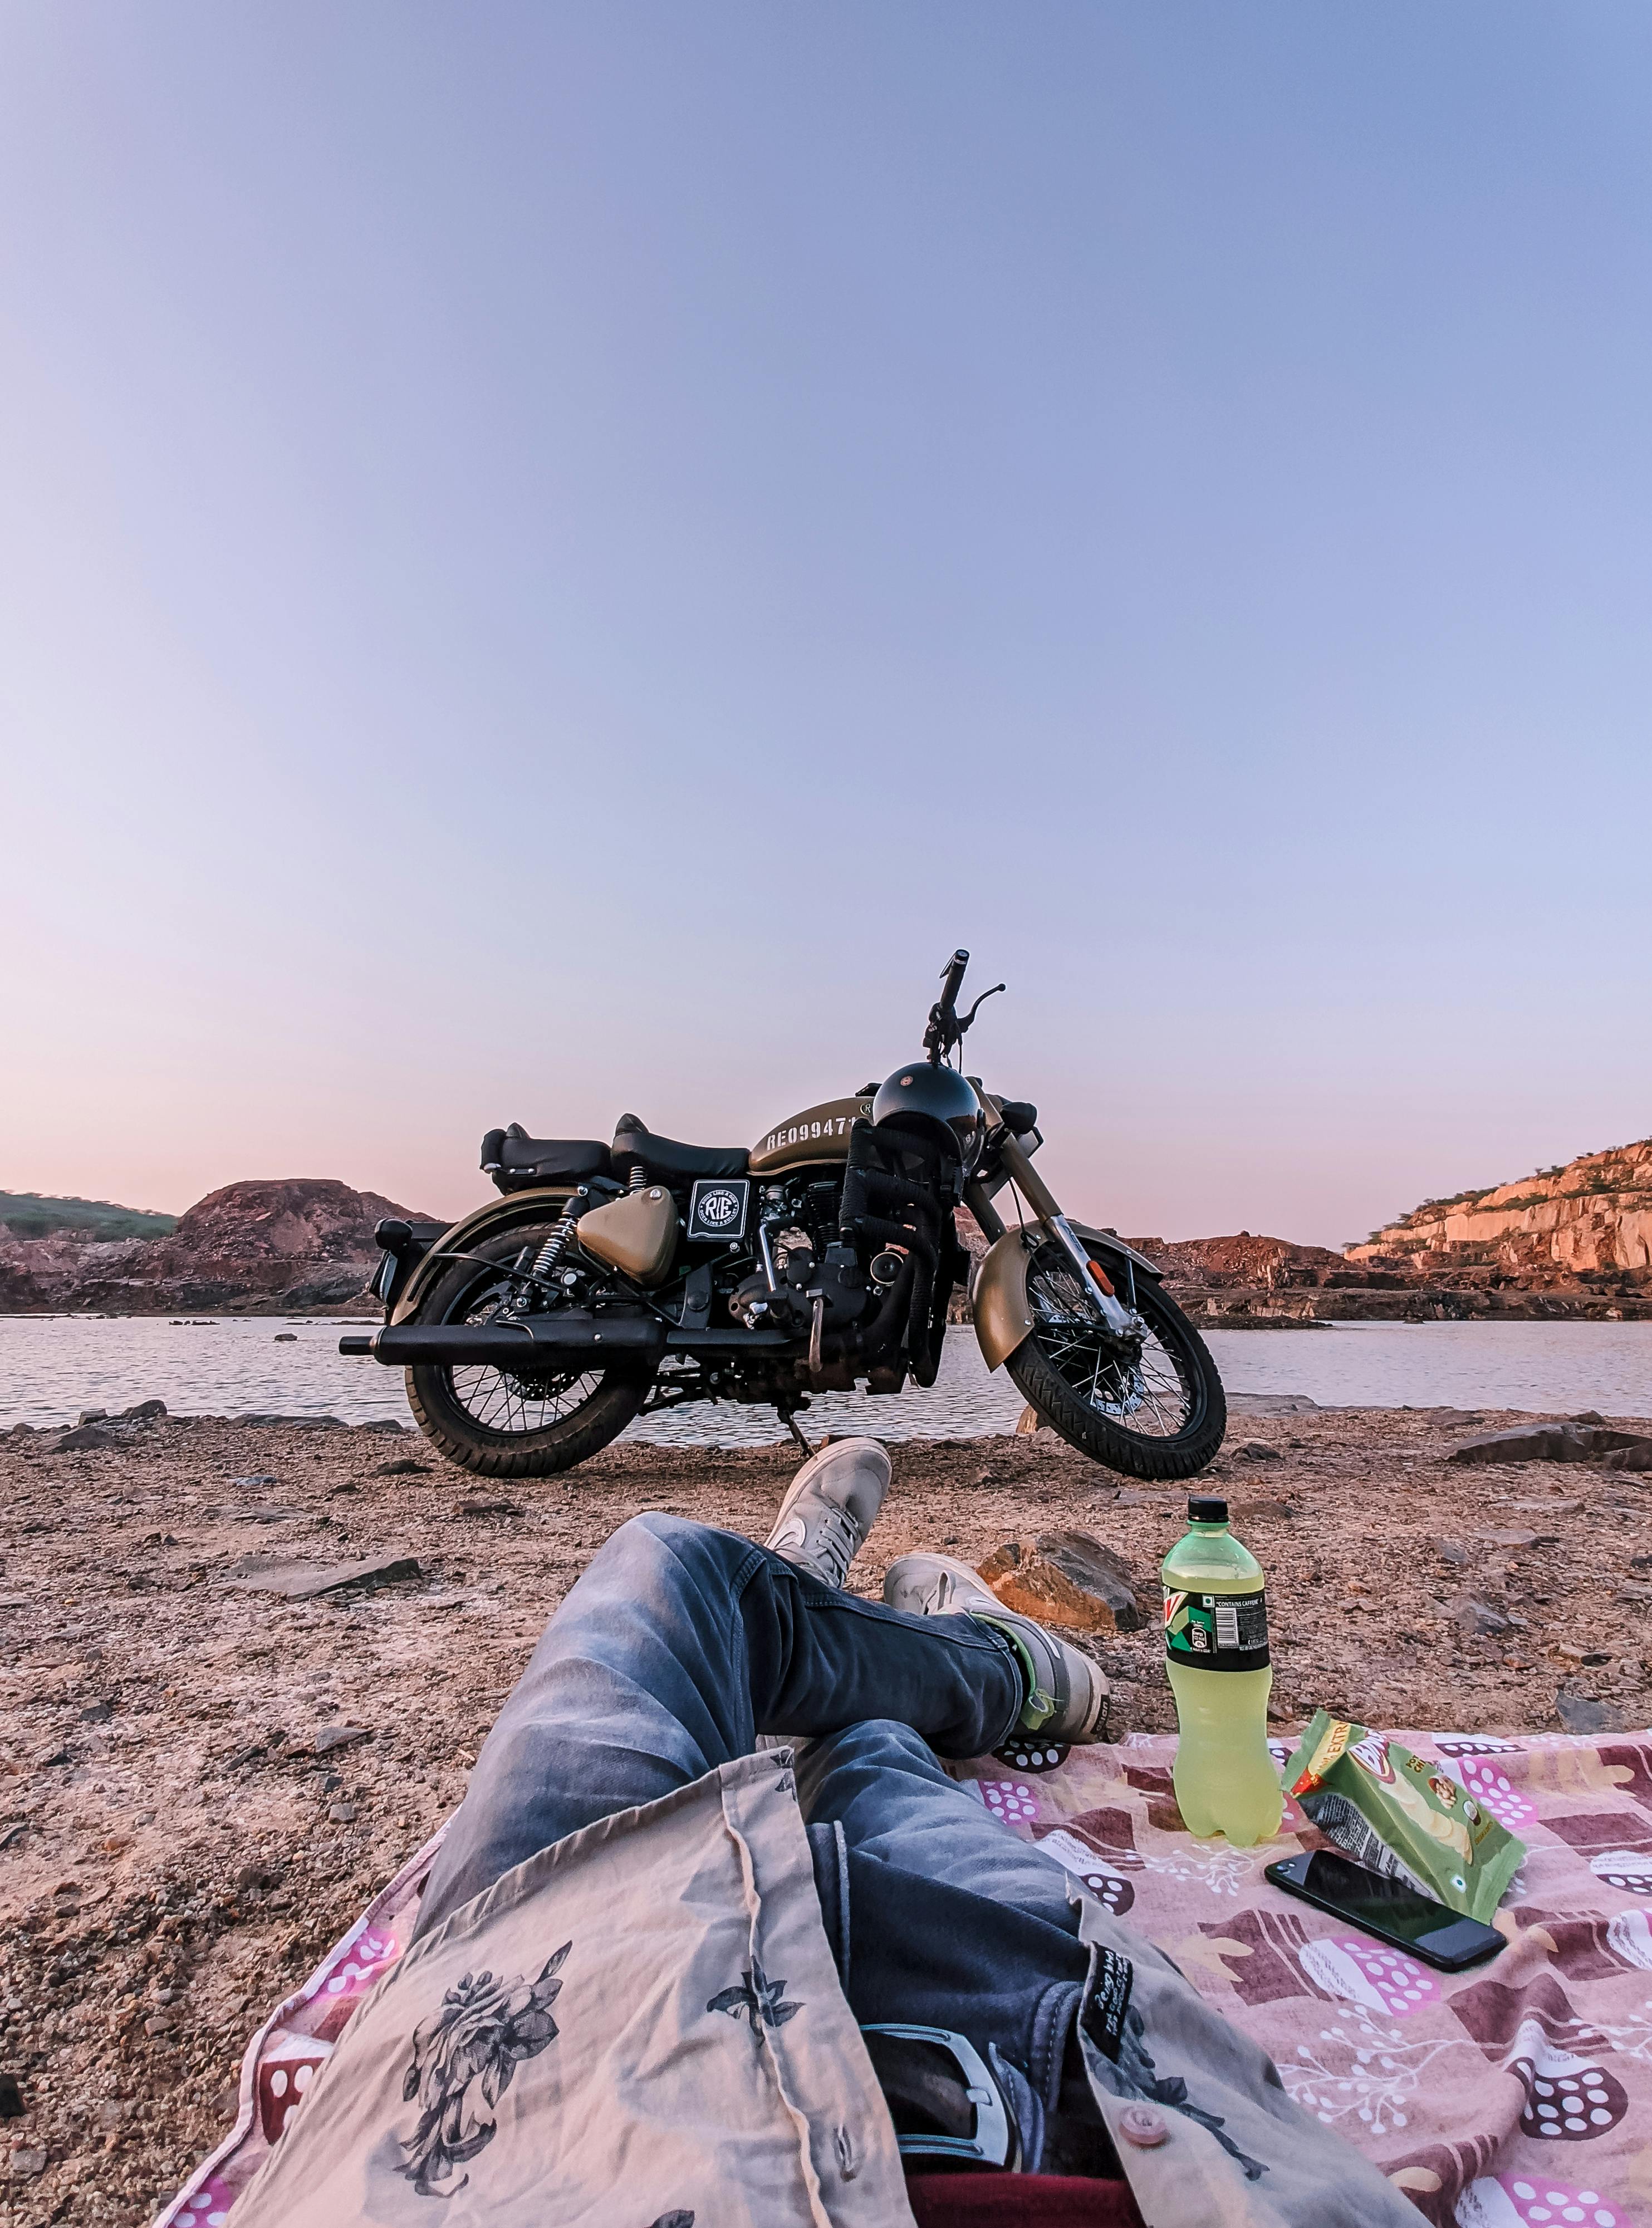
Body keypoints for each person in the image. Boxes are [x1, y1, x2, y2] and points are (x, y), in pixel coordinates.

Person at [228, 1441, 1423, 2228]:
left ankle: (828, 1598)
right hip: (1051, 2048)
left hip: (546, 2007)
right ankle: (985, 1657)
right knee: (874, 1756)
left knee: (670, 1568)